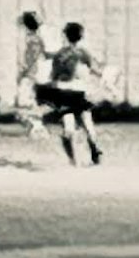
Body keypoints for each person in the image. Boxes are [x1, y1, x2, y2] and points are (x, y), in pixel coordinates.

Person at [38, 21, 105, 165]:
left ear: (65, 35)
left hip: (63, 92)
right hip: (79, 91)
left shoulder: (60, 54)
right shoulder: (83, 53)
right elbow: (95, 69)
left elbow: (54, 76)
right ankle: (94, 148)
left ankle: (73, 160)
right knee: (88, 125)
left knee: (68, 129)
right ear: (80, 36)